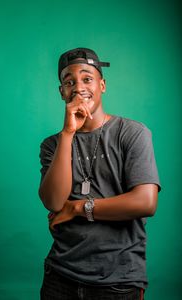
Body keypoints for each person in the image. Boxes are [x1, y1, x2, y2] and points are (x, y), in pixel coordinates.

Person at [38, 47, 161, 300]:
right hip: (60, 276)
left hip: (119, 279)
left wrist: (77, 208)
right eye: (68, 82)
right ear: (62, 92)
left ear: (102, 85)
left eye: (87, 78)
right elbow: (53, 201)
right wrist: (68, 134)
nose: (78, 87)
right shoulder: (52, 144)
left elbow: (145, 202)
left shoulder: (132, 133)